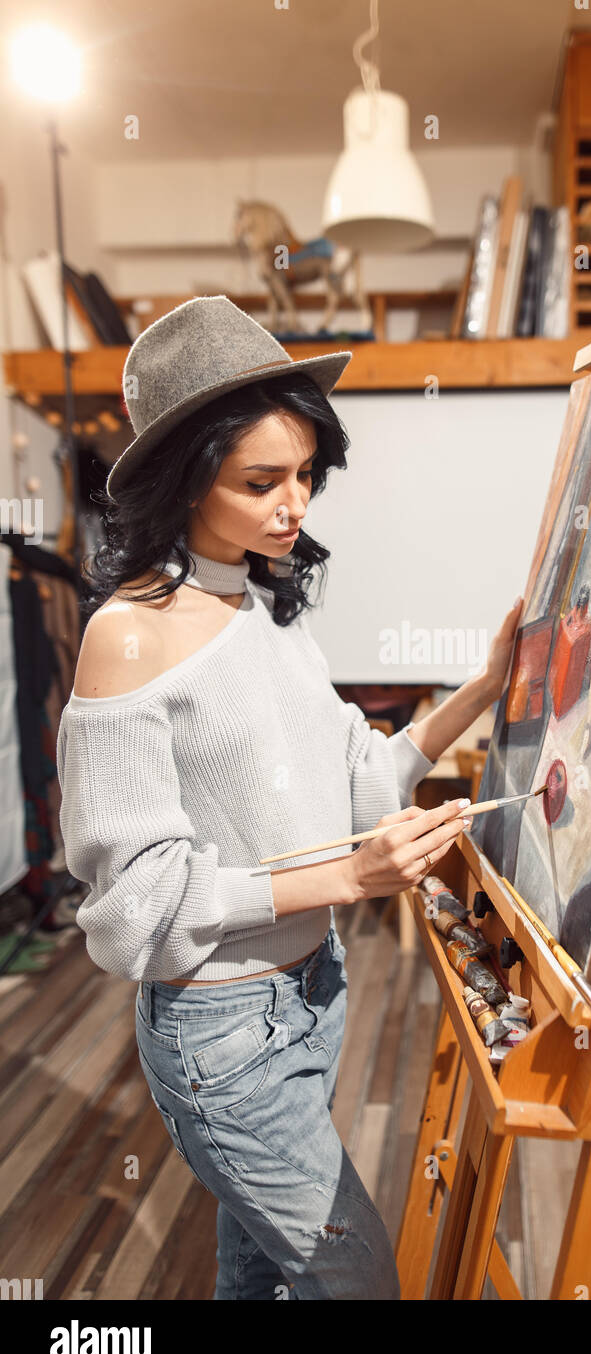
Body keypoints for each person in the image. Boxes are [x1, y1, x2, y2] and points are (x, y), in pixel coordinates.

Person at [55, 296, 522, 1300]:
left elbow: (353, 773)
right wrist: (347, 873)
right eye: (260, 480)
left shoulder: (266, 604)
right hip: (221, 1032)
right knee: (355, 1280)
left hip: (310, 998)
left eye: (305, 474)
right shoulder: (127, 635)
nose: (293, 504)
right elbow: (135, 906)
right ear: (185, 479)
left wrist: (481, 691)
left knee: (263, 1276)